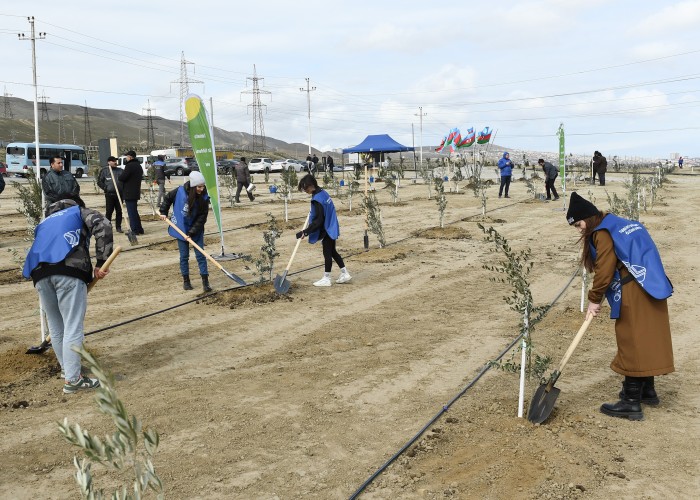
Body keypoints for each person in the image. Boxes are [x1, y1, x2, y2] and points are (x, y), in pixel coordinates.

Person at [566, 191, 674, 421]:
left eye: (578, 224)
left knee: (632, 341)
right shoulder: (624, 223)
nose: (579, 229)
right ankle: (647, 391)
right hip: (651, 284)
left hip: (634, 292)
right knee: (647, 339)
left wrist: (594, 300)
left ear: (588, 216)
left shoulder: (602, 233)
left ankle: (631, 402)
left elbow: (604, 272)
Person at [22, 195, 113, 394]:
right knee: (73, 326)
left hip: (39, 275)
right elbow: (104, 225)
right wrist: (101, 261)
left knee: (56, 328)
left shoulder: (45, 221)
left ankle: (68, 371)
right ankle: (73, 380)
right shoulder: (79, 211)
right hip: (69, 272)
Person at [159, 171, 212, 292]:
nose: (201, 189)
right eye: (199, 187)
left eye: (203, 186)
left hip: (196, 230)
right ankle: (186, 281)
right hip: (181, 228)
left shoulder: (204, 197)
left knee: (200, 255)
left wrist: (192, 232)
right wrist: (163, 212)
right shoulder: (179, 191)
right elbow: (167, 199)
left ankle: (205, 282)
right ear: (193, 186)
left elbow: (202, 217)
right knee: (184, 256)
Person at [296, 174, 351, 287]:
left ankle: (326, 278)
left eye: (304, 188)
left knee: (327, 253)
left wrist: (305, 232)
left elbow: (318, 221)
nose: (304, 191)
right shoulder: (322, 192)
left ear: (310, 186)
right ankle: (345, 273)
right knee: (333, 252)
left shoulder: (317, 199)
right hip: (332, 225)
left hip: (327, 228)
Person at [118, 150, 145, 235]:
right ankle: (139, 228)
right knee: (134, 211)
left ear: (130, 157)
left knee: (131, 212)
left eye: (127, 157)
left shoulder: (129, 166)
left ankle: (134, 230)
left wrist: (120, 176)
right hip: (135, 191)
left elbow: (122, 177)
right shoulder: (138, 166)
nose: (126, 158)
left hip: (129, 192)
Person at [97, 156, 124, 233]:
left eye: (115, 161)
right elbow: (99, 182)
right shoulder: (104, 171)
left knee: (119, 211)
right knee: (109, 211)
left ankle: (118, 227)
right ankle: (107, 227)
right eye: (113, 161)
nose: (115, 162)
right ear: (109, 162)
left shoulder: (120, 171)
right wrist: (105, 188)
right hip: (109, 195)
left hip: (119, 194)